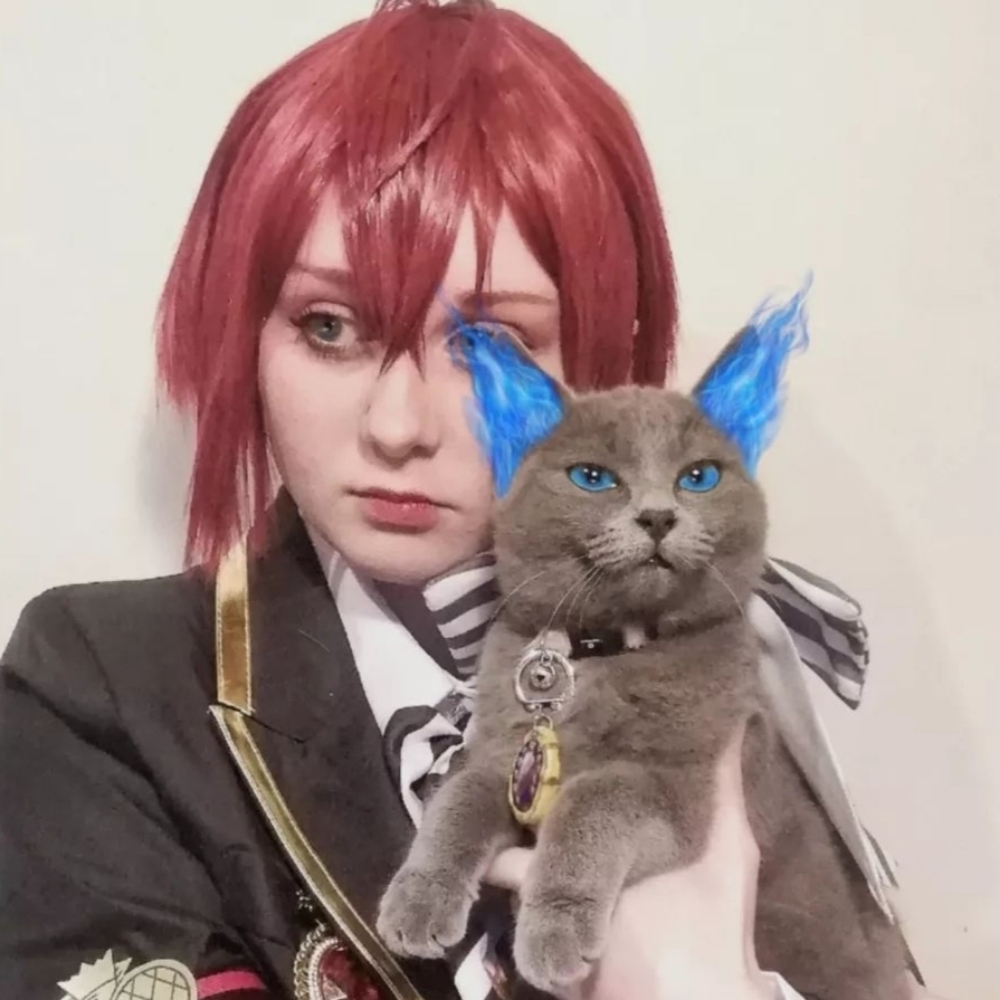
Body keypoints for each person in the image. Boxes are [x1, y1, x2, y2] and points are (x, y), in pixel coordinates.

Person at [0, 2, 936, 999]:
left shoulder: (732, 644)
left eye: (490, 347)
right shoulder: (105, 687)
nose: (397, 424)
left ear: (597, 362)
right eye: (328, 326)